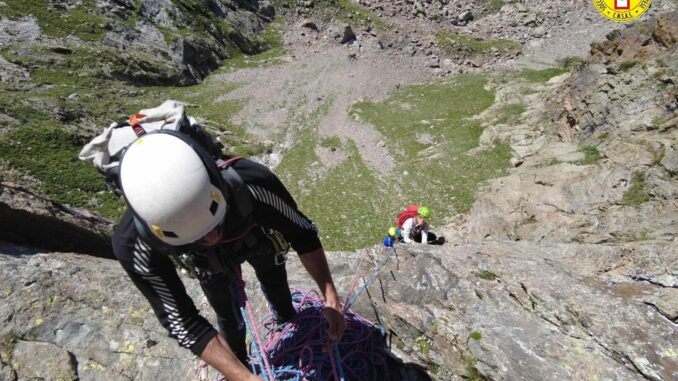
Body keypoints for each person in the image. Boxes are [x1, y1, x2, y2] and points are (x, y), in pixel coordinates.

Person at [111, 131, 345, 381]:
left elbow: (302, 234)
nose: (212, 238)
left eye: (215, 224)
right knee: (227, 316)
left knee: (275, 284)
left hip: (256, 238)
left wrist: (331, 298)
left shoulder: (252, 183)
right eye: (200, 235)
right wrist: (242, 377)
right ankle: (240, 363)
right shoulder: (134, 246)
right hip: (207, 261)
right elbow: (183, 322)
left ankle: (286, 319)